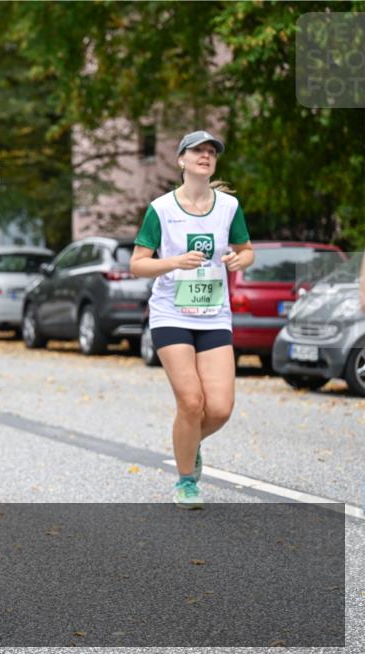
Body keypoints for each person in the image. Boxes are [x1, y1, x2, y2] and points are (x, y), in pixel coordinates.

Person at [129, 130, 254, 510]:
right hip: (171, 313)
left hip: (214, 315)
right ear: (181, 161)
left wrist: (238, 260)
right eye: (197, 151)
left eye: (211, 151)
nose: (205, 156)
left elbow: (247, 251)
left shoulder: (228, 207)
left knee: (219, 408)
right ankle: (186, 481)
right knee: (191, 401)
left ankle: (189, 443)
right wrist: (174, 262)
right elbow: (137, 265)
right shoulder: (161, 209)